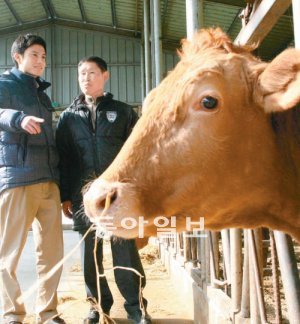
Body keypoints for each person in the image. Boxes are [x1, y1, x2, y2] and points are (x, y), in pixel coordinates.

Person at [56, 56, 151, 324]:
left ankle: (136, 308)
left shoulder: (122, 112)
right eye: (82, 74)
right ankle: (97, 307)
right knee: (90, 256)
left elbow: (137, 154)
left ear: (105, 76)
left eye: (92, 73)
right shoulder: (68, 117)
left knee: (125, 252)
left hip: (118, 197)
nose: (86, 78)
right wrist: (65, 195)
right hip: (83, 198)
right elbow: (63, 158)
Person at [0, 34, 65, 324]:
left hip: (48, 182)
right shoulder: (5, 85)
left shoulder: (42, 94)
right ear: (18, 57)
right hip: (18, 179)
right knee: (7, 254)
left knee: (51, 254)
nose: (41, 61)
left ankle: (48, 313)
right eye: (35, 55)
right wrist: (17, 119)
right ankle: (12, 313)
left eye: (43, 57)